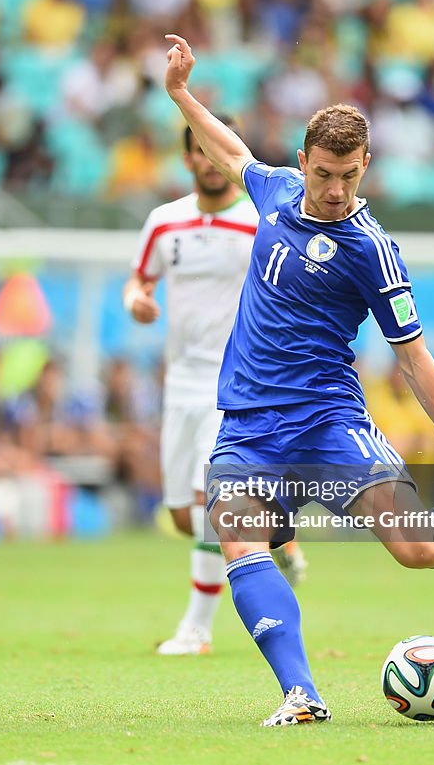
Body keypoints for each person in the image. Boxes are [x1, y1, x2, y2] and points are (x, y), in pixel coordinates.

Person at [163, 34, 434, 727]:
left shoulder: (373, 251)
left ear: (365, 166)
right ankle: (300, 693)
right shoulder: (278, 191)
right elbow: (232, 153)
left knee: (414, 547)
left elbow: (413, 356)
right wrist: (179, 94)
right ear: (302, 162)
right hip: (248, 425)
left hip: (326, 419)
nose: (334, 189)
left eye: (348, 175)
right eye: (324, 173)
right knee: (236, 534)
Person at [123, 121, 306, 657]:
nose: (209, 162)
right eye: (199, 152)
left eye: (216, 153)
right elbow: (139, 279)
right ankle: (275, 534)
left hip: (237, 383)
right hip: (179, 381)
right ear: (187, 160)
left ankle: (196, 630)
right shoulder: (164, 222)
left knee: (210, 504)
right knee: (182, 514)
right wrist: (137, 300)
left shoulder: (261, 222)